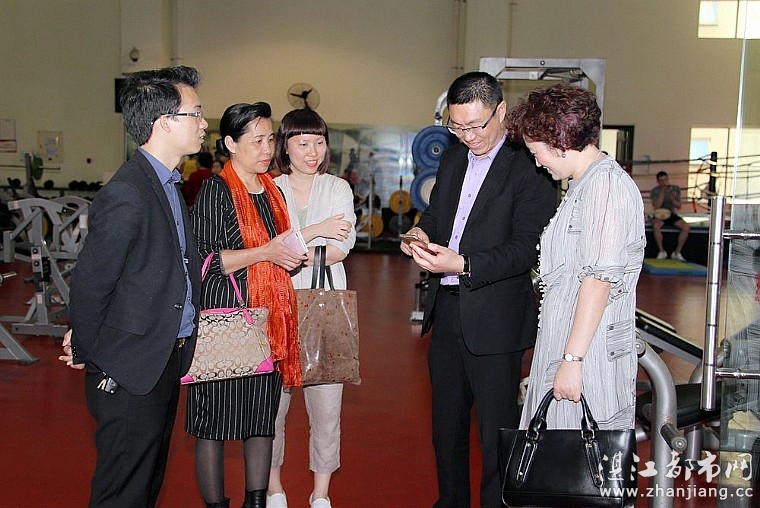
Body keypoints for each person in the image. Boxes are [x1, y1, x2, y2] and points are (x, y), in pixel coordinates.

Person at [400, 71, 557, 508]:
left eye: (476, 126)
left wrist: (464, 264)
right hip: (447, 311)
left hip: (496, 318)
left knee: (496, 434)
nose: (468, 137)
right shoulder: (453, 159)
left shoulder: (531, 164)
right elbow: (437, 217)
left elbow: (526, 249)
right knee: (446, 429)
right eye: (458, 127)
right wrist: (418, 234)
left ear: (501, 111)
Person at [60, 65, 206, 507]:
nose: (203, 124)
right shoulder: (129, 191)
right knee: (123, 491)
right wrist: (92, 352)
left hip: (162, 358)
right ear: (164, 122)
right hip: (129, 368)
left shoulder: (168, 185)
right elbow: (91, 283)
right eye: (196, 114)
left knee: (145, 485)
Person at [187, 102, 305, 508]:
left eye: (270, 139)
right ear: (230, 144)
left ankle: (255, 501)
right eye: (257, 141)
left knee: (260, 420)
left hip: (267, 321)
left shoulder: (272, 190)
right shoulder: (216, 190)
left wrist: (287, 253)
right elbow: (206, 260)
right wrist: (267, 252)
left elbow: (279, 247)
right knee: (213, 423)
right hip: (226, 320)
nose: (267, 149)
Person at [506, 83, 644, 431]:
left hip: (589, 353)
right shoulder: (583, 185)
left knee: (581, 453)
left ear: (560, 142)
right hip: (568, 343)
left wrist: (572, 360)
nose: (536, 162)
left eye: (537, 152)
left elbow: (598, 281)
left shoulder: (605, 187)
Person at [268, 109, 356, 508]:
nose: (312, 152)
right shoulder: (269, 189)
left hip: (325, 308)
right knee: (272, 407)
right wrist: (317, 231)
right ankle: (274, 487)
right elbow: (267, 247)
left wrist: (287, 249)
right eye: (302, 143)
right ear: (284, 146)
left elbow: (340, 248)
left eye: (319, 142)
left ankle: (321, 493)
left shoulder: (337, 188)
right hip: (275, 309)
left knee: (327, 407)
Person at [650, 170, 690, 261]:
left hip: (671, 213)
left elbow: (679, 206)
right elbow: (656, 206)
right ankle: (662, 251)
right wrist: (662, 193)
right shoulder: (655, 191)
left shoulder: (675, 189)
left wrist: (672, 197)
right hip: (659, 214)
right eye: (661, 181)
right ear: (658, 181)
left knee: (686, 227)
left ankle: (677, 252)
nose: (664, 182)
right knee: (656, 225)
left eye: (665, 180)